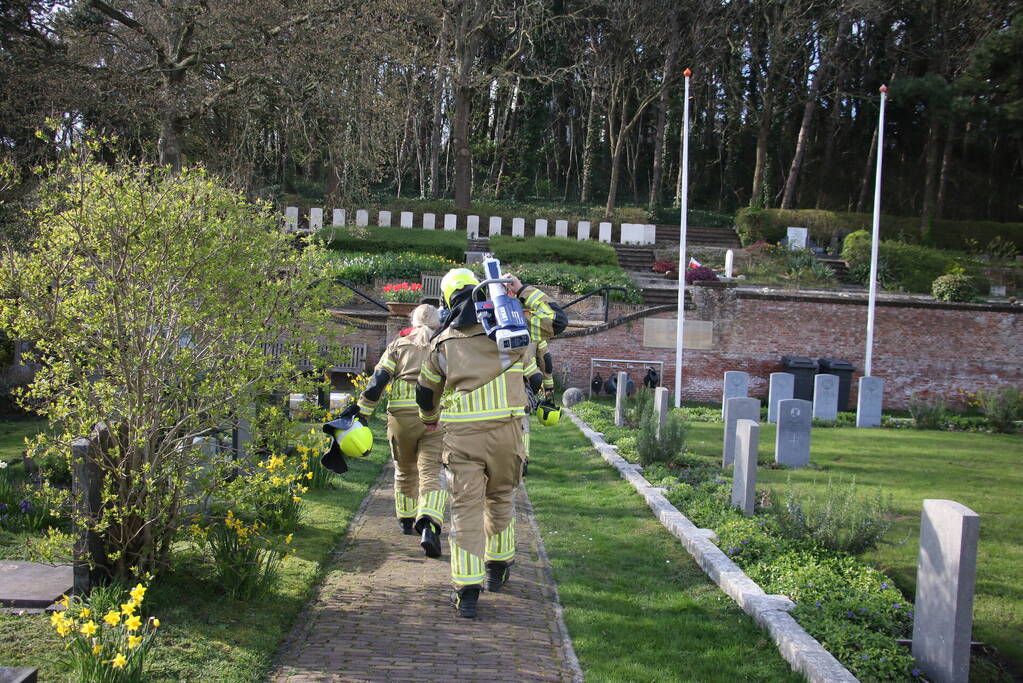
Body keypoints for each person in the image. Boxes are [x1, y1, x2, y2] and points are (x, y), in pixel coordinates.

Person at [416, 268, 555, 618]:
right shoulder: (511, 333)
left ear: (448, 300)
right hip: (508, 434)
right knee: (502, 497)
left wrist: (430, 420)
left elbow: (425, 391)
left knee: (465, 510)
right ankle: (498, 566)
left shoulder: (443, 343)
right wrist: (522, 291)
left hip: (463, 439)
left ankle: (467, 589)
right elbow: (548, 337)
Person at [341, 304, 447, 558]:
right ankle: (430, 523)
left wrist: (363, 413)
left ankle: (406, 520)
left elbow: (378, 380)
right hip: (435, 415)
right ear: (436, 322)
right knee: (432, 472)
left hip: (401, 416)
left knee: (404, 468)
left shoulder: (398, 345)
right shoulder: (444, 344)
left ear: (413, 319)